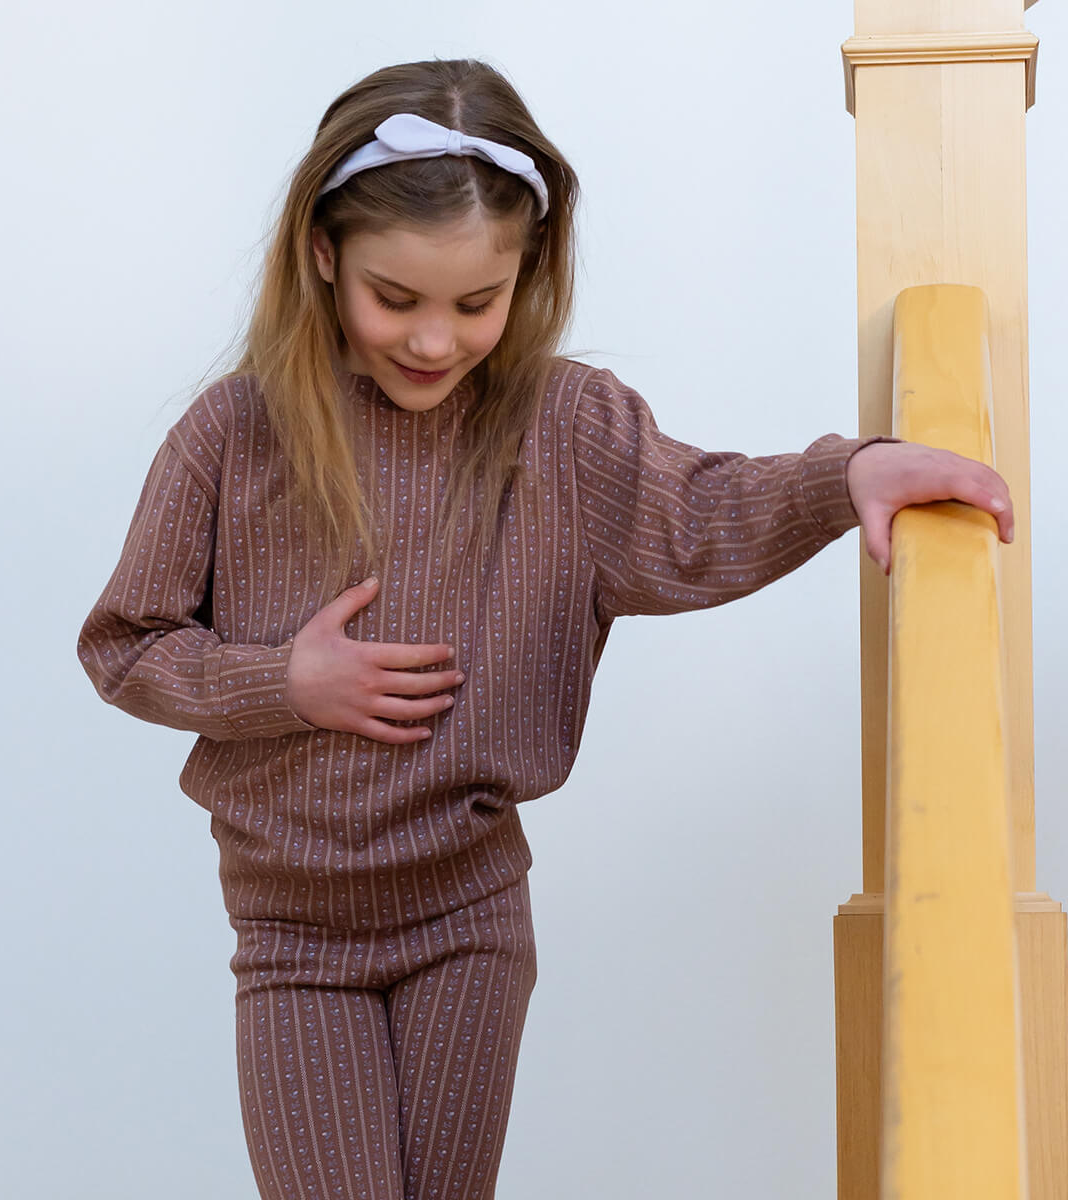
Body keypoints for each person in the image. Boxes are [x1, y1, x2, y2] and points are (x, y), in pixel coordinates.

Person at [77, 58, 1014, 1200]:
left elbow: (699, 514)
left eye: (476, 303)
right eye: (395, 299)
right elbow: (126, 644)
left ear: (527, 272)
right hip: (291, 935)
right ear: (321, 254)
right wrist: (285, 683)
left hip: (468, 916)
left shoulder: (564, 426)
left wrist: (848, 473)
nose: (434, 341)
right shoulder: (232, 433)